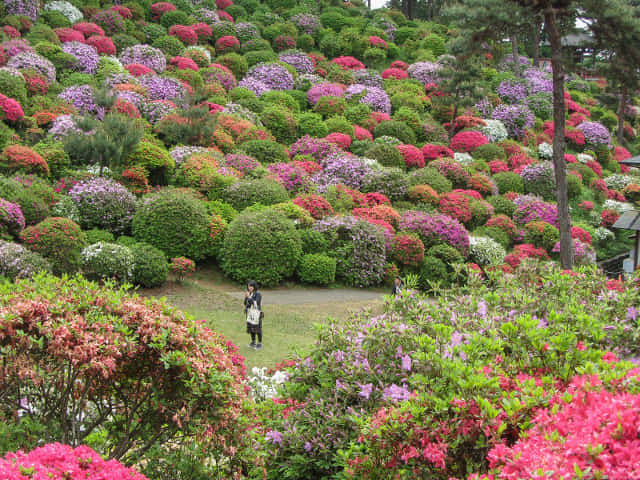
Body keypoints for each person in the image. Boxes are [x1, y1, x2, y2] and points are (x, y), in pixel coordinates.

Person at [244, 280, 263, 350]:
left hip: (256, 313)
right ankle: (253, 341)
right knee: (251, 327)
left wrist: (249, 297)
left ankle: (259, 343)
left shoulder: (258, 294)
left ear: (254, 286)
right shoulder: (249, 293)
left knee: (257, 328)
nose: (249, 288)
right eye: (248, 286)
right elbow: (245, 303)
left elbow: (256, 304)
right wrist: (246, 297)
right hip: (250, 313)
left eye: (251, 286)